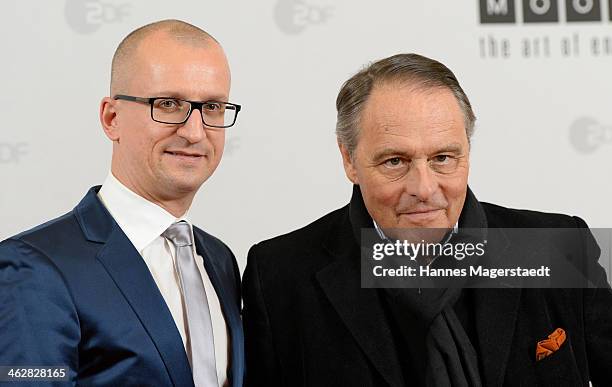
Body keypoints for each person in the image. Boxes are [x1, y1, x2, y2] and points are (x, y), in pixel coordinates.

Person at [242, 53, 612, 386]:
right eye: (395, 161)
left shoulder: (558, 249)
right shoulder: (281, 275)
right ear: (349, 160)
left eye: (443, 158)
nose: (423, 187)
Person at [0, 19, 243, 387]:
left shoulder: (219, 260)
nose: (195, 132)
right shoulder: (33, 269)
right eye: (168, 104)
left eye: (212, 107)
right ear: (111, 118)